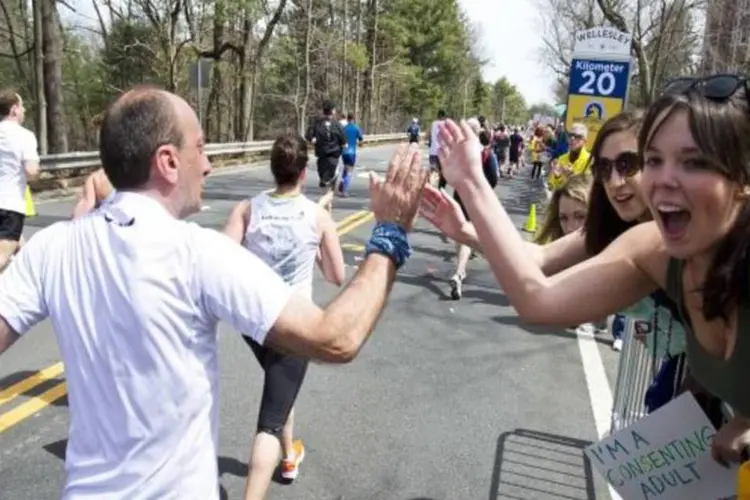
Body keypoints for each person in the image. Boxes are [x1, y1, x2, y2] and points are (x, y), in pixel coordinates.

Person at [0, 86, 428, 499]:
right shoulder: (197, 253)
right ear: (167, 161)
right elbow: (337, 338)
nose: (206, 165)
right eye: (200, 148)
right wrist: (389, 235)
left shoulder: (51, 246)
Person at [432, 75, 750, 465]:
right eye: (654, 160)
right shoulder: (648, 245)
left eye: (694, 162)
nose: (663, 180)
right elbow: (536, 292)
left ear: (743, 180)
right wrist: (470, 185)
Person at [223, 133, 346, 500]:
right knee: (269, 423)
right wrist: (319, 241)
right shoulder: (317, 216)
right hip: (294, 327)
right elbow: (336, 276)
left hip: (253, 324)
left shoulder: (247, 209)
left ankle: (290, 457)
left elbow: (222, 262)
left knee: (281, 390)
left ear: (273, 170)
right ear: (304, 173)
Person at [0, 90, 39, 272]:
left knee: (21, 248)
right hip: (10, 206)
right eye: (22, 106)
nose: (24, 110)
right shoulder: (24, 136)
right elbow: (31, 171)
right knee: (2, 256)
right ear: (14, 109)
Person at [305, 99, 346, 192]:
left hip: (322, 155)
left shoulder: (317, 123)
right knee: (331, 178)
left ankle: (325, 184)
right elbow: (343, 139)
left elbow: (308, 135)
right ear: (333, 110)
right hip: (333, 156)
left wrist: (312, 139)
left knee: (324, 180)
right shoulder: (337, 124)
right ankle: (328, 192)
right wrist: (344, 144)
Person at [339, 113, 364, 197]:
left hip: (343, 152)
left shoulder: (343, 128)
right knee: (349, 171)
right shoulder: (356, 128)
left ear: (347, 119)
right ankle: (344, 191)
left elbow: (340, 139)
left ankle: (342, 184)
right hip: (351, 152)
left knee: (345, 168)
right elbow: (360, 140)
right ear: (354, 119)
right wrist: (360, 144)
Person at [428, 110, 447, 189]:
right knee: (443, 173)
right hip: (442, 153)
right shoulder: (445, 124)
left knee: (433, 173)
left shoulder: (433, 124)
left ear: (438, 115)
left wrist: (430, 142)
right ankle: (441, 190)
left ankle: (431, 189)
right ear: (444, 116)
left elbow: (428, 135)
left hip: (433, 152)